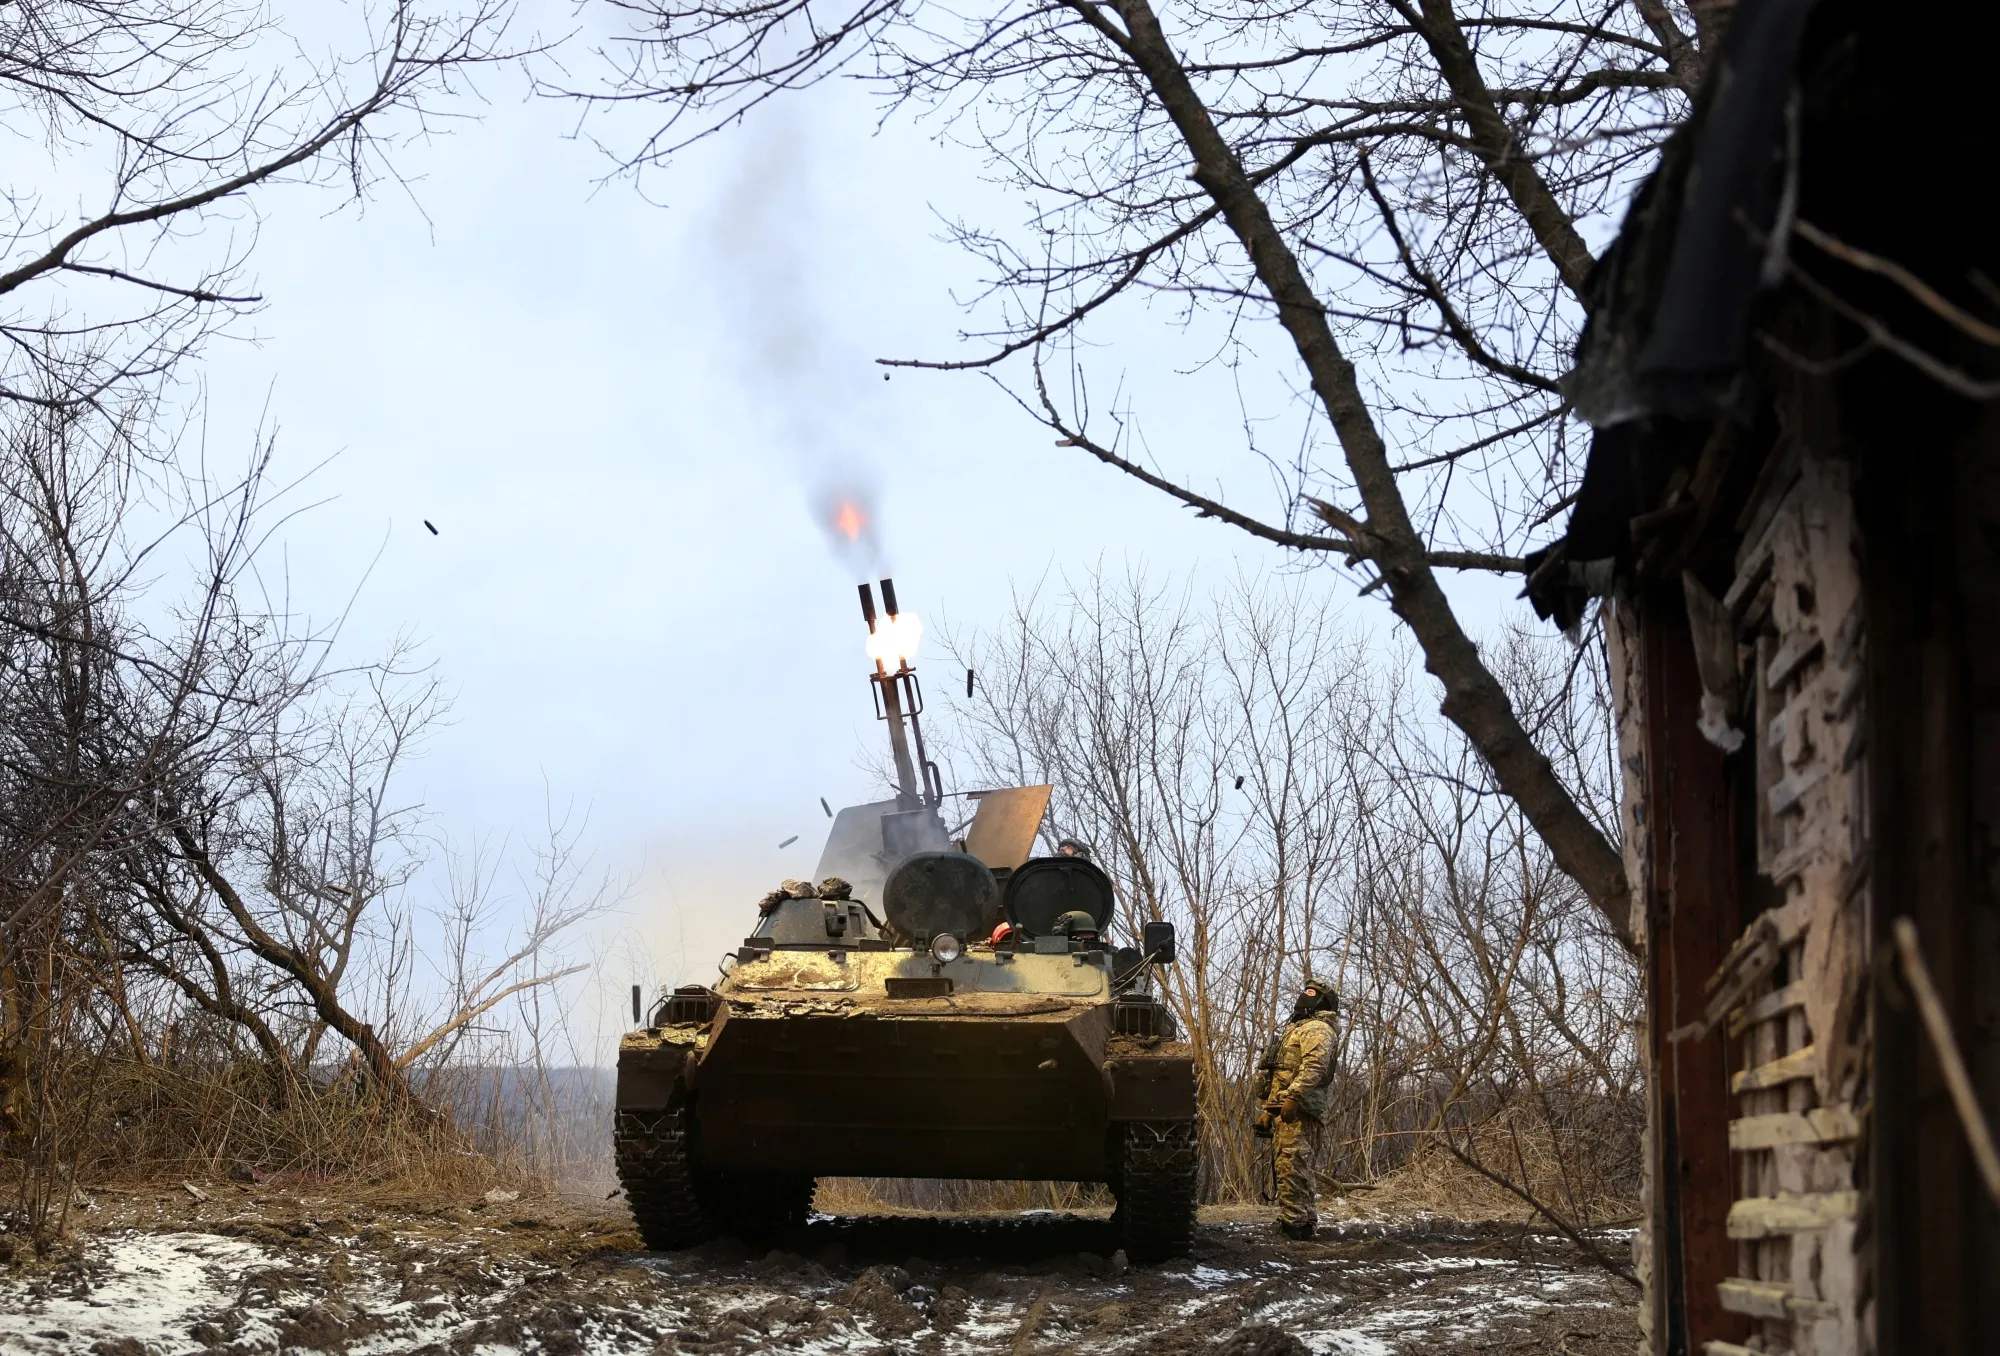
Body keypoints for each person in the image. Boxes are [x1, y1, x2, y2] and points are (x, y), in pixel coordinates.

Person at [1253, 979, 1339, 1240]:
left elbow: (1314, 1067)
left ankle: (1295, 1227)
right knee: (1289, 1166)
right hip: (1286, 1109)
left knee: (1294, 1166)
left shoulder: (1318, 1029)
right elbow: (1282, 1073)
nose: (1304, 996)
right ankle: (1300, 1222)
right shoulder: (1296, 1029)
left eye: (1311, 993)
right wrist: (1270, 1110)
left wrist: (1293, 1098)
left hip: (1301, 1110)